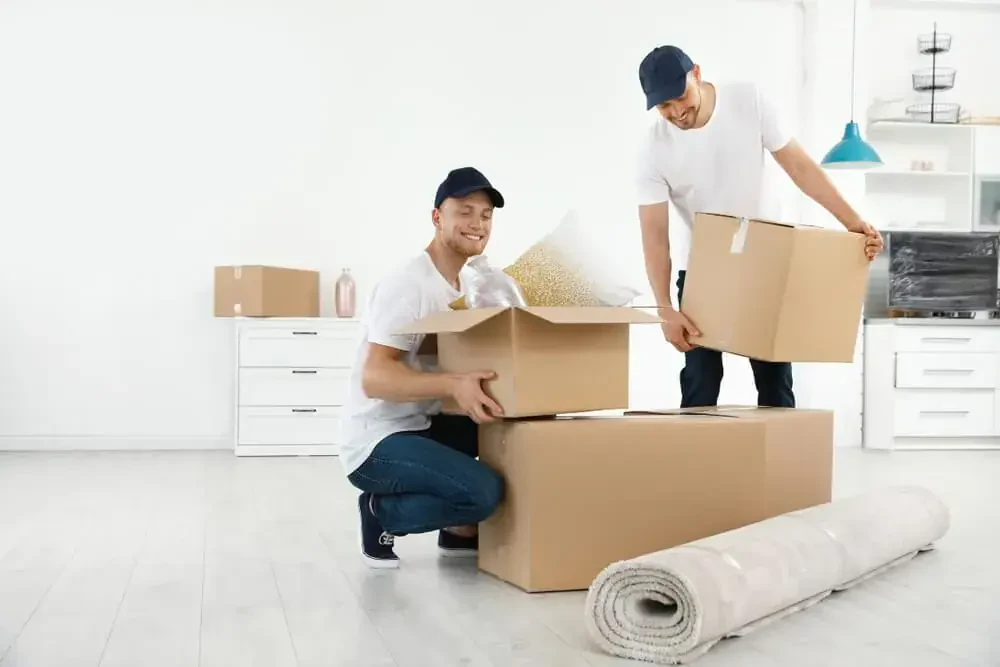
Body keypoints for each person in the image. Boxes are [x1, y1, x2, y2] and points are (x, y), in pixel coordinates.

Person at [634, 45, 884, 409]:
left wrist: (854, 223)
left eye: (680, 97)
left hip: (764, 263)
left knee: (775, 381)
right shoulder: (654, 148)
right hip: (703, 271)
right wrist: (664, 309)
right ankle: (695, 449)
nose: (676, 112)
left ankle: (779, 448)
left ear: (697, 74)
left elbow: (800, 167)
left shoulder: (747, 101)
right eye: (663, 106)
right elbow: (655, 235)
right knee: (701, 381)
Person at [339, 166, 507, 569]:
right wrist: (453, 385)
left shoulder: (468, 286)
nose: (478, 223)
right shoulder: (409, 284)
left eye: (485, 215)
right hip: (379, 441)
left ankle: (456, 531)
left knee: (511, 435)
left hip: (425, 425)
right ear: (437, 217)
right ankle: (381, 513)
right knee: (484, 492)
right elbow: (375, 378)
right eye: (464, 211)